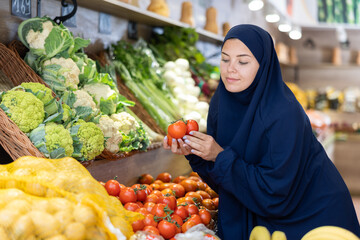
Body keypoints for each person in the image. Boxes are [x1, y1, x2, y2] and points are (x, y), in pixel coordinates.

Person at [163, 24, 360, 240]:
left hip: (311, 217)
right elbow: (228, 180)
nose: (231, 69)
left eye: (243, 61)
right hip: (262, 216)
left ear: (263, 65)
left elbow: (275, 192)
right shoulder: (222, 102)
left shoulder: (284, 113)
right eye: (225, 59)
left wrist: (219, 156)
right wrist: (195, 150)